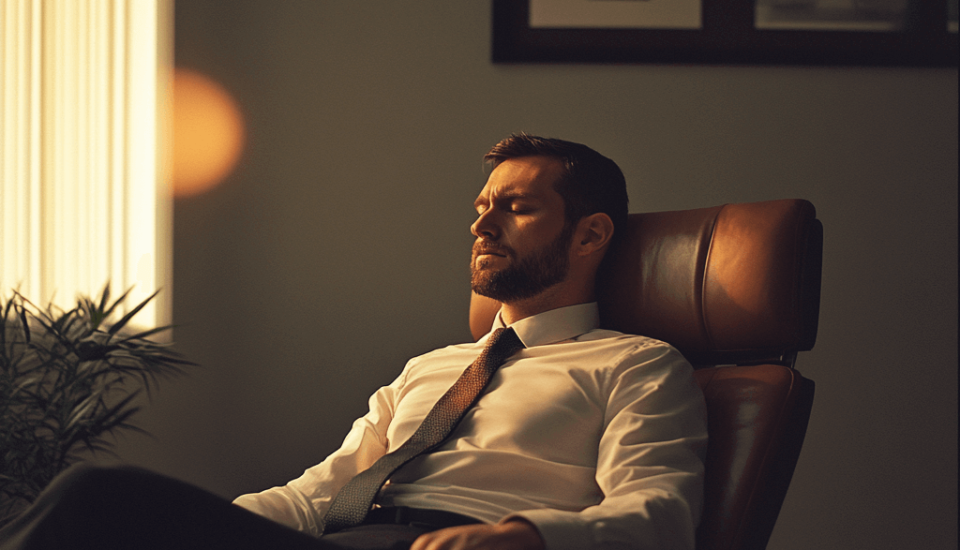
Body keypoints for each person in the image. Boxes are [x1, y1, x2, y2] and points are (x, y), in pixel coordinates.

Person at [0, 134, 707, 550]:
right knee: (123, 518)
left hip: (459, 544)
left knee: (98, 494)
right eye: (481, 207)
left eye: (515, 208)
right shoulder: (432, 368)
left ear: (589, 234)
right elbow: (322, 493)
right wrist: (202, 527)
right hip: (342, 538)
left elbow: (659, 511)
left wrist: (522, 536)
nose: (480, 226)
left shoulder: (635, 366)